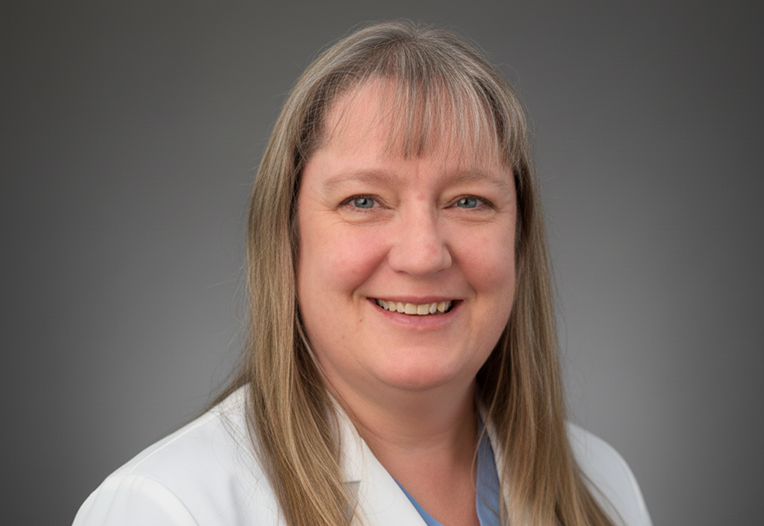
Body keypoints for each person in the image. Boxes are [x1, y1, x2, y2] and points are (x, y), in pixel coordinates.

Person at [73, 21, 652, 526]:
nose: (423, 255)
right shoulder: (169, 508)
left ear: (519, 239)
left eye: (469, 201)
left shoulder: (601, 484)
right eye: (364, 200)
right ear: (288, 237)